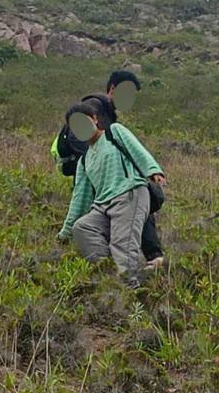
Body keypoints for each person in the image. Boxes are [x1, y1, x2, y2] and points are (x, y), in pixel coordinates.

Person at [50, 70, 165, 264]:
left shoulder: (111, 119)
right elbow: (79, 138)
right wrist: (92, 160)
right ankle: (121, 265)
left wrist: (152, 170)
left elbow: (134, 149)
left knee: (133, 212)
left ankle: (146, 259)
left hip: (122, 188)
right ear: (113, 89)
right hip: (100, 180)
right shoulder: (94, 107)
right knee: (95, 226)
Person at [57, 102, 166, 287]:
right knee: (82, 228)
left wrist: (153, 170)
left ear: (95, 119)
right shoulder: (84, 161)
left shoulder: (114, 132)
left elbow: (138, 150)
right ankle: (109, 275)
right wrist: (65, 233)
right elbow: (80, 199)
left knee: (123, 248)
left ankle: (130, 291)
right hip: (102, 206)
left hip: (129, 195)